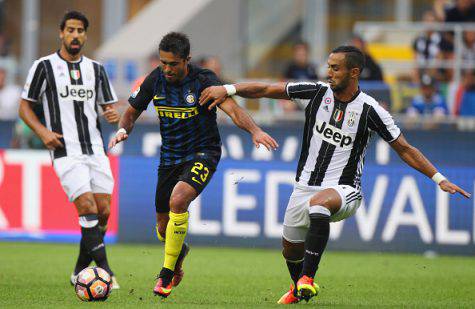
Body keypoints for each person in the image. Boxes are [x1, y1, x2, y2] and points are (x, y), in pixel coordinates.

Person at [199, 45, 471, 304]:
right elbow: (268, 88)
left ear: (354, 72)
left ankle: (307, 277)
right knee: (290, 249)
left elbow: (405, 148)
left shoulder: (370, 109)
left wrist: (439, 178)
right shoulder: (316, 92)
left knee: (319, 205)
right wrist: (228, 88)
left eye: (335, 68)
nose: (328, 72)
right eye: (328, 66)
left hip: (345, 189)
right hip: (304, 185)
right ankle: (298, 287)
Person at [108, 32, 278, 298]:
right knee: (163, 228)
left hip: (203, 152)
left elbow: (233, 109)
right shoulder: (155, 79)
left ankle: (164, 275)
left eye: (172, 64)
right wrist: (122, 131)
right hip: (169, 158)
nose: (166, 69)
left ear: (186, 60)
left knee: (179, 201)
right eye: (163, 62)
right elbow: (131, 113)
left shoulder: (203, 80)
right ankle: (179, 252)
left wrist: (255, 131)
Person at [18, 11, 121, 288]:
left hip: (95, 148)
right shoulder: (44, 66)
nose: (75, 35)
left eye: (80, 31)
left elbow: (108, 107)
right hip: (65, 149)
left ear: (85, 35)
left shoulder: (97, 70)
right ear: (61, 33)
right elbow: (25, 105)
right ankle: (105, 272)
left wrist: (112, 115)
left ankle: (79, 270)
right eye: (71, 30)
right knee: (85, 205)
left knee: (103, 211)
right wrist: (42, 133)